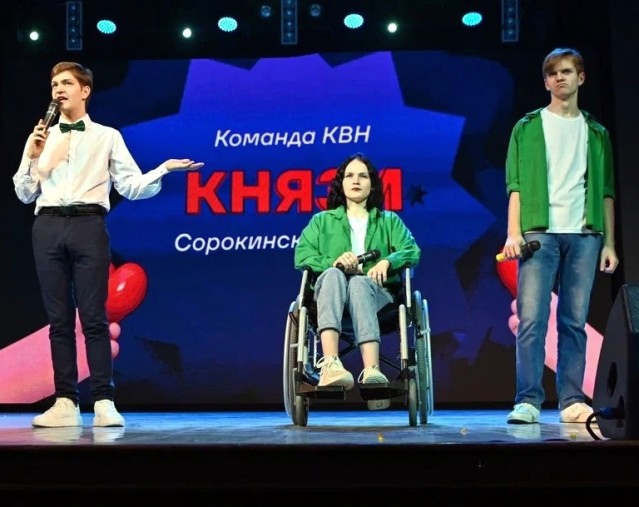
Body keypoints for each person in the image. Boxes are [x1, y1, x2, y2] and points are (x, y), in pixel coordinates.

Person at [12, 61, 204, 428]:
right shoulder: (41, 136)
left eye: (66, 83)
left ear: (84, 91)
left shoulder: (107, 136)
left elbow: (131, 186)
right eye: (54, 84)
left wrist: (162, 169)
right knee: (59, 320)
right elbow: (24, 193)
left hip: (89, 224)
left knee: (94, 317)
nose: (58, 90)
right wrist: (33, 157)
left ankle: (103, 400)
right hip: (48, 225)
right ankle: (65, 402)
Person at [501, 48, 618, 424]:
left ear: (580, 78)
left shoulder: (597, 133)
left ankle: (571, 401)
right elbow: (516, 186)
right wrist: (513, 233)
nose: (559, 78)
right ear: (546, 82)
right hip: (540, 234)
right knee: (532, 320)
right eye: (553, 73)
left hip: (585, 235)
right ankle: (527, 401)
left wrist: (610, 243)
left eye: (566, 71)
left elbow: (606, 192)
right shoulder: (527, 127)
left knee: (573, 321)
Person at [294, 152, 421, 410]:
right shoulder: (322, 221)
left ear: (372, 185)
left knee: (359, 283)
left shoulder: (389, 221)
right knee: (334, 275)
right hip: (331, 297)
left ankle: (372, 370)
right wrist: (334, 263)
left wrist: (388, 261)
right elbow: (302, 255)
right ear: (340, 184)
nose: (356, 180)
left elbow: (411, 250)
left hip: (376, 297)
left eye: (363, 176)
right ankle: (330, 364)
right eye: (350, 176)